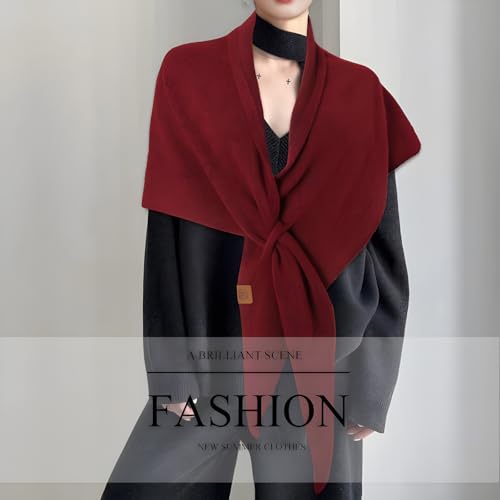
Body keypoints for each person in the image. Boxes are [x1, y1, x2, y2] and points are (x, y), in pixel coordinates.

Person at [100, 1, 420, 499]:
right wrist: (170, 372)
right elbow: (165, 232)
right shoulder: (188, 74)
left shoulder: (360, 92)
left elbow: (384, 250)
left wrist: (371, 386)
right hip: (209, 364)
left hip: (319, 371)